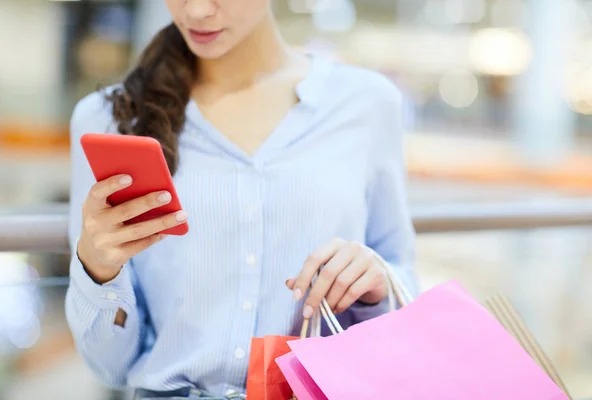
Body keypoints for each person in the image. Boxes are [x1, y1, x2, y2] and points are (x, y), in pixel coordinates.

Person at [65, 0, 418, 399]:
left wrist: (375, 281)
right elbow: (109, 367)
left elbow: (403, 281)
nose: (196, 11)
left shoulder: (367, 104)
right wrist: (96, 270)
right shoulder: (109, 118)